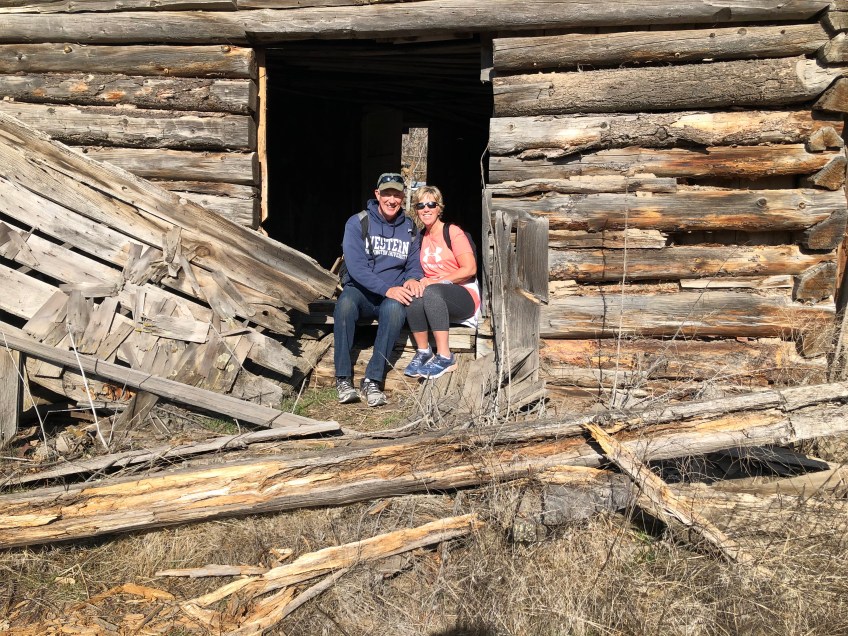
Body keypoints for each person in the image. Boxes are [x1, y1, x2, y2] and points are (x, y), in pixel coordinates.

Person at [334, 173, 424, 406]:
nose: (392, 200)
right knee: (344, 306)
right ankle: (343, 378)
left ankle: (372, 380)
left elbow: (414, 263)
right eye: (387, 194)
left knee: (395, 311)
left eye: (397, 195)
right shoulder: (358, 222)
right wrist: (387, 289)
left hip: (391, 294)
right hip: (361, 291)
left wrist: (413, 278)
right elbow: (357, 268)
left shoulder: (410, 227)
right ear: (377, 194)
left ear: (403, 197)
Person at [403, 185, 479, 380]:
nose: (426, 209)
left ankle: (445, 357)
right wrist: (413, 281)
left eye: (431, 204)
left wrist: (436, 281)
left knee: (431, 292)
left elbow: (470, 269)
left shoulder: (452, 232)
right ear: (416, 210)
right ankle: (423, 352)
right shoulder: (420, 238)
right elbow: (414, 269)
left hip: (463, 295)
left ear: (439, 208)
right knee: (413, 295)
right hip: (434, 295)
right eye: (421, 205)